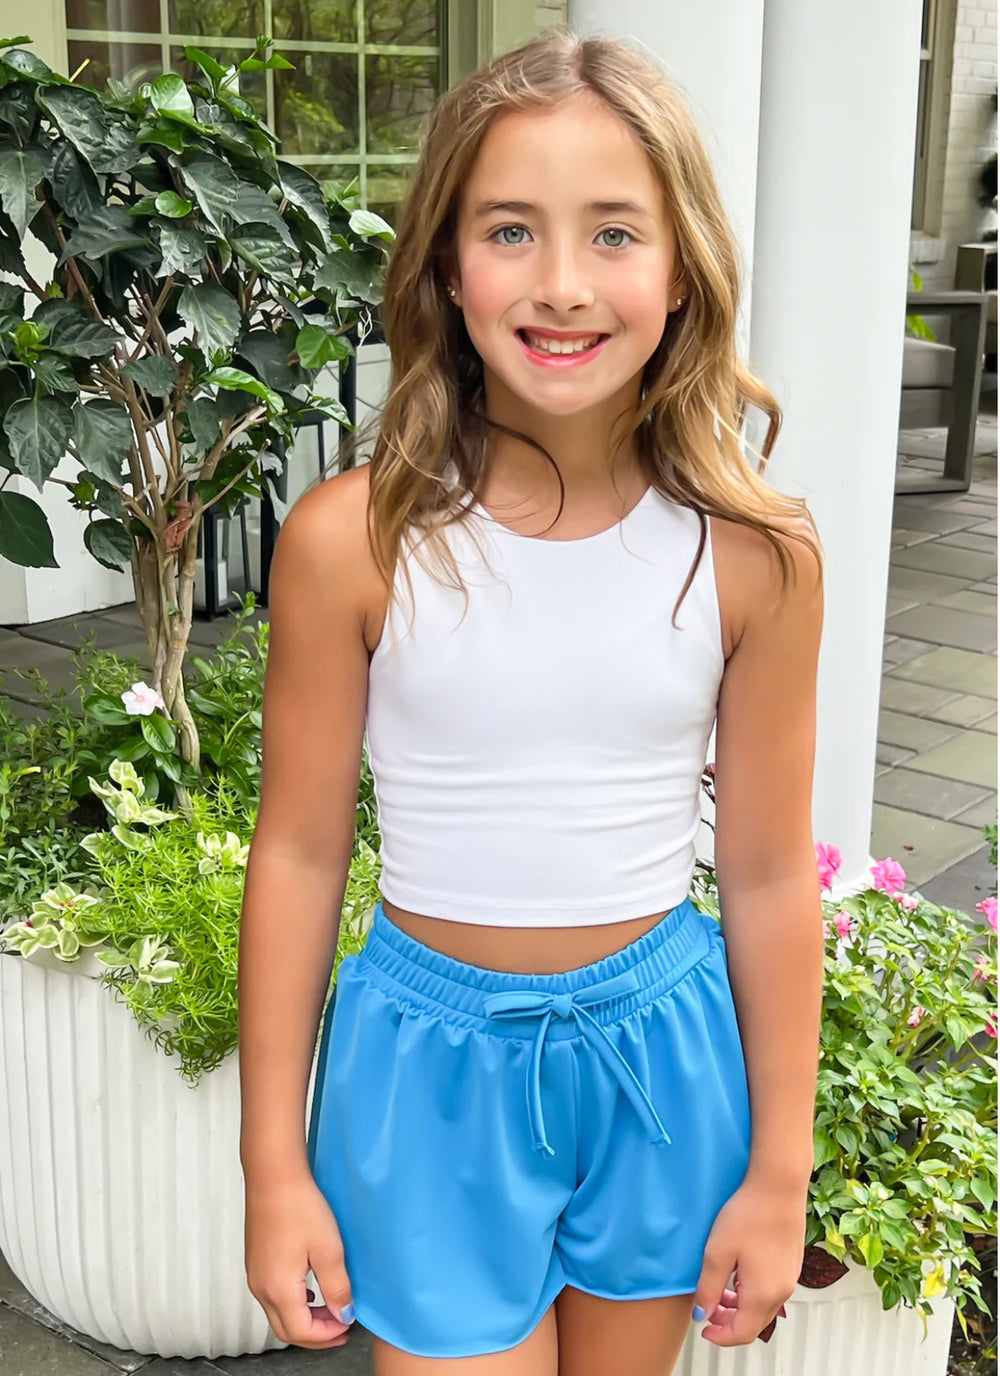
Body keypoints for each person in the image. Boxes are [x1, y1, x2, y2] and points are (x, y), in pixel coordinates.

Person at [238, 27, 826, 1376]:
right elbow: (301, 852)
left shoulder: (756, 553)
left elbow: (768, 872)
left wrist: (778, 1171)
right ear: (448, 265)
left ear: (683, 270)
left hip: (662, 1066)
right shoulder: (350, 542)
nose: (563, 284)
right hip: (424, 1074)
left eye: (615, 233)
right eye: (511, 229)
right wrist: (273, 1164)